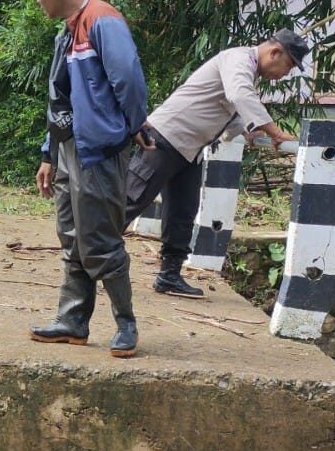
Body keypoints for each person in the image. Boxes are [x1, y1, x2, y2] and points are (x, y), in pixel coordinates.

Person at [124, 30, 307, 298]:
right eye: (288, 66)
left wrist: (247, 129)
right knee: (132, 200)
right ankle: (86, 258)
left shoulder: (246, 69)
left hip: (190, 149)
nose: (286, 74)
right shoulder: (238, 60)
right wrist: (275, 132)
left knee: (183, 212)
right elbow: (239, 95)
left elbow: (226, 109)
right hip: (165, 139)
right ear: (275, 53)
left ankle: (169, 276)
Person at [29, 0, 149, 358]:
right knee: (72, 237)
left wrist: (134, 126)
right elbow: (59, 98)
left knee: (99, 241)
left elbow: (128, 78)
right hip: (67, 149)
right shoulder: (67, 31)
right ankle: (73, 320)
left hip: (96, 151)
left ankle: (126, 324)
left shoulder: (102, 20)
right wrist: (49, 153)